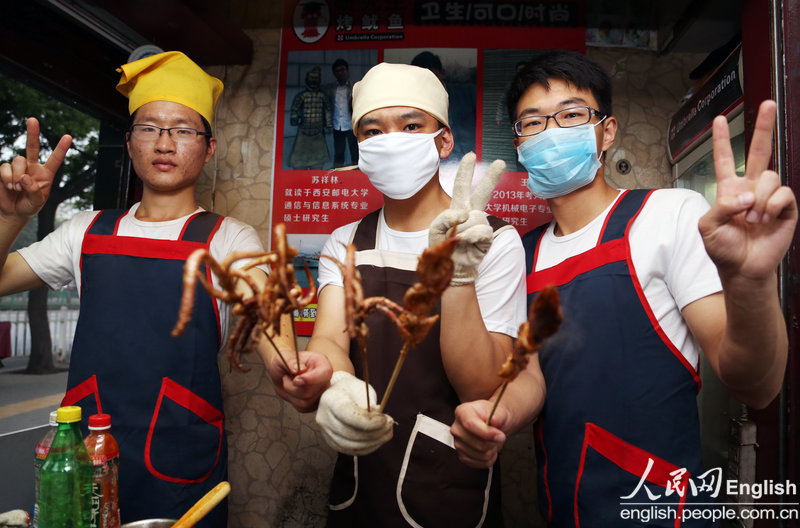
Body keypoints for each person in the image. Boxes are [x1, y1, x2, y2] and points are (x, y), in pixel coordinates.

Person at [450, 49, 797, 527]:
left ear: (606, 131)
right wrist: (499, 414)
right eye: (532, 123)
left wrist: (753, 283)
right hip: (565, 509)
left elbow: (753, 384)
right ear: (519, 143)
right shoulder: (520, 252)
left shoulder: (669, 215)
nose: (551, 133)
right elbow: (528, 376)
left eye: (572, 115)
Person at [0, 51, 291, 527]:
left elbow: (269, 322)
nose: (165, 141)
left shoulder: (228, 238)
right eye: (150, 127)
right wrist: (12, 218)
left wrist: (296, 370)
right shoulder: (85, 230)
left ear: (209, 148)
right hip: (84, 456)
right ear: (131, 143)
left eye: (182, 129)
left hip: (181, 460)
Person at [266, 62, 527, 526]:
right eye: (373, 130)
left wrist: (457, 278)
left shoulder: (495, 241)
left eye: (411, 125)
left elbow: (483, 387)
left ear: (443, 140)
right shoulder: (346, 241)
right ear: (361, 146)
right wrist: (335, 383)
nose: (391, 140)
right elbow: (330, 339)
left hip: (450, 485)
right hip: (361, 481)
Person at [288, 65, 332, 169]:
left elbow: (327, 111)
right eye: (311, 79)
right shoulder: (301, 96)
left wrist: (329, 124)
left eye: (316, 79)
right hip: (303, 132)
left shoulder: (322, 96)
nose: (313, 81)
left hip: (318, 133)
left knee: (318, 165)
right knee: (299, 166)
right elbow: (295, 109)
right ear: (306, 80)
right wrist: (294, 118)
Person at [323, 58, 358, 168]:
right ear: (334, 73)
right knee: (339, 152)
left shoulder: (355, 86)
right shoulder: (330, 88)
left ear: (347, 71)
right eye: (337, 71)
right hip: (337, 125)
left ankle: (357, 173)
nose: (340, 73)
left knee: (355, 151)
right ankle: (338, 174)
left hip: (352, 125)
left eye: (343, 70)